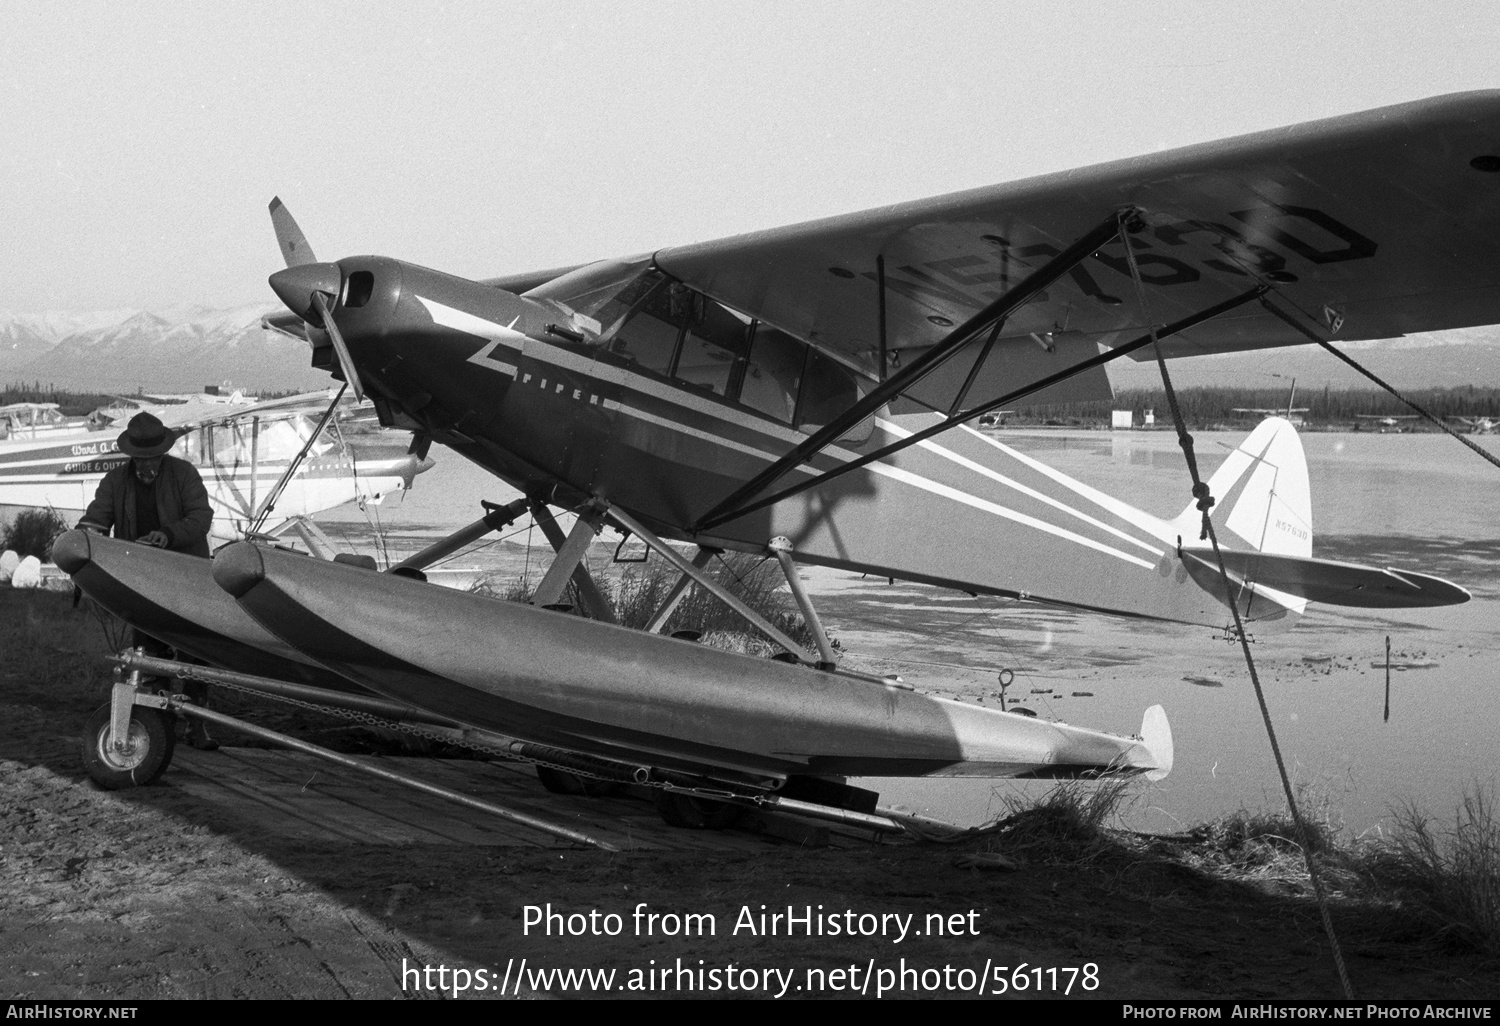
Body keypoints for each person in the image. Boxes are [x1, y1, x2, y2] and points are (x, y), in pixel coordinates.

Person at [79, 411, 219, 750]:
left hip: (187, 577)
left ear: (162, 453)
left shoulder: (184, 474)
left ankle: (197, 724)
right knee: (149, 653)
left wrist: (167, 535)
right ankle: (162, 727)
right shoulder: (114, 482)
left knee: (195, 652)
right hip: (141, 583)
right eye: (140, 460)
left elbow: (202, 517)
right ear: (131, 456)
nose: (146, 465)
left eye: (152, 459)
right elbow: (97, 519)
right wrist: (83, 540)